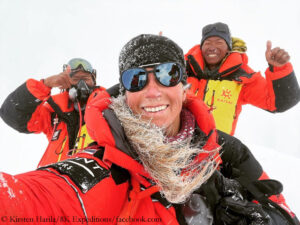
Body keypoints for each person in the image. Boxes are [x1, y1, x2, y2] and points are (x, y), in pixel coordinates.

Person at [0, 34, 298, 225]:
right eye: (136, 79)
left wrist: (269, 218)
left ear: (185, 88)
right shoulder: (106, 159)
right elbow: (31, 199)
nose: (153, 90)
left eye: (169, 74)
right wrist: (46, 86)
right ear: (124, 95)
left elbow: (283, 211)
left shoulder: (227, 151)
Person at [185, 22, 300, 135]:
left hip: (215, 150)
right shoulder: (183, 69)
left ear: (228, 49)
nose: (212, 47)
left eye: (219, 42)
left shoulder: (242, 78)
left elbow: (279, 103)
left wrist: (279, 69)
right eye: (207, 43)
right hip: (176, 147)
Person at [0, 58, 106, 167]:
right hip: (51, 179)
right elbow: (12, 114)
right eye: (76, 79)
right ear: (66, 83)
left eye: (85, 78)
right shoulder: (53, 114)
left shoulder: (109, 107)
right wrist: (44, 85)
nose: (81, 83)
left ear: (94, 81)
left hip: (94, 179)